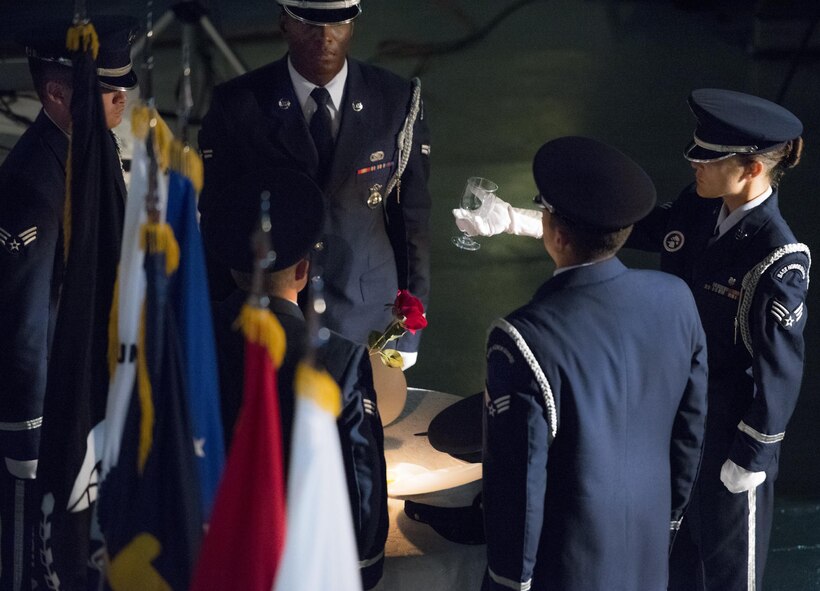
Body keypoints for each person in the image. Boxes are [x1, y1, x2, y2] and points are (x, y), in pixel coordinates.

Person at [481, 136, 708, 591]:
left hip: (564, 570)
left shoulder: (523, 338)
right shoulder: (677, 301)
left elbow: (519, 485)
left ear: (556, 234)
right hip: (647, 559)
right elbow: (690, 432)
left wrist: (510, 582)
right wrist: (664, 525)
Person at [626, 89, 811, 590]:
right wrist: (534, 220)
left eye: (709, 159)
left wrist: (753, 453)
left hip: (730, 427)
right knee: (675, 553)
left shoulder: (779, 256)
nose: (695, 166)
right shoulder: (699, 205)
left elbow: (780, 370)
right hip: (678, 413)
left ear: (751, 169)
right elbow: (651, 229)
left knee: (731, 567)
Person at [198, 0, 432, 369]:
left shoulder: (394, 100)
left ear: (353, 27)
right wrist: (218, 319)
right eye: (309, 24)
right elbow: (218, 224)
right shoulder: (239, 106)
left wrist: (409, 329)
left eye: (338, 24)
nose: (325, 37)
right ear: (284, 23)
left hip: (367, 316)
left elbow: (411, 222)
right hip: (273, 320)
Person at [0, 18, 137, 590]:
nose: (122, 99)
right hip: (49, 414)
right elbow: (24, 325)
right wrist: (25, 435)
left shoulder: (88, 154)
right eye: (108, 90)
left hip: (82, 397)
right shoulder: (36, 184)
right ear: (58, 93)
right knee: (31, 556)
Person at [203, 167, 388, 589]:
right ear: (303, 269)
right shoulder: (339, 360)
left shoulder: (185, 340)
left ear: (233, 268)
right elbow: (362, 488)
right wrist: (364, 568)